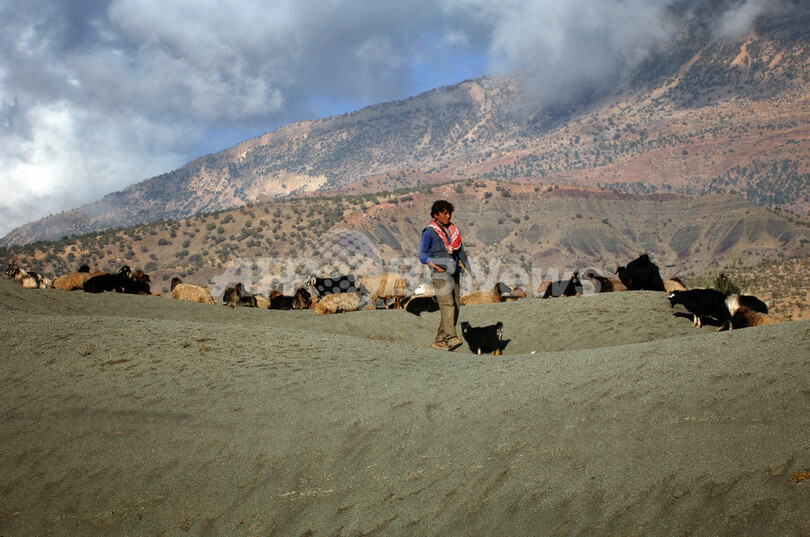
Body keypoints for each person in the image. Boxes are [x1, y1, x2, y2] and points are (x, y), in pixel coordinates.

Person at [418, 200, 470, 351]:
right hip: (440, 275)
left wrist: (464, 266)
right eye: (444, 213)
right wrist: (435, 266)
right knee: (447, 304)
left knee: (456, 306)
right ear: (436, 215)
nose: (448, 216)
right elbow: (422, 254)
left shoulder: (453, 231)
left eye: (449, 213)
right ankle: (451, 337)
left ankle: (440, 340)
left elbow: (459, 251)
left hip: (454, 272)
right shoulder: (429, 232)